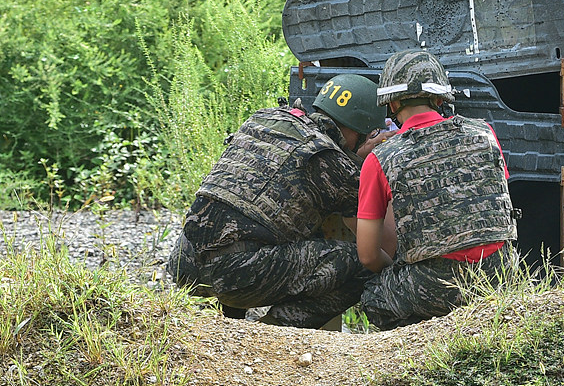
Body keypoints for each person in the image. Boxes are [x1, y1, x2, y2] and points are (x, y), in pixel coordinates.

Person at [167, 74, 392, 328]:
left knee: (250, 227)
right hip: (233, 274)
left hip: (183, 265)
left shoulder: (266, 119)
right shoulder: (332, 162)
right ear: (361, 130)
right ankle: (274, 333)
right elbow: (372, 244)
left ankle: (233, 327)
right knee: (359, 265)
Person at [355, 50, 519, 330]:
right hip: (499, 274)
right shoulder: (485, 134)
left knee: (374, 299)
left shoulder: (381, 158)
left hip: (432, 286)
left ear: (391, 104)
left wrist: (400, 273)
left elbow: (368, 255)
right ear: (440, 99)